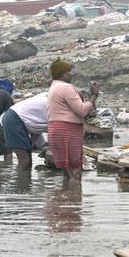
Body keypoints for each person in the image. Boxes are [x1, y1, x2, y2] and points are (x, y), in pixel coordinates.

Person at [47, 59, 99, 187]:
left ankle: (64, 203)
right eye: (68, 72)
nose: (71, 74)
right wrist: (94, 96)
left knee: (67, 173)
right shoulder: (66, 88)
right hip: (68, 131)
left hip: (55, 130)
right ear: (62, 74)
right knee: (76, 174)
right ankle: (74, 204)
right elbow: (82, 111)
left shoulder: (54, 87)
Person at [3, 92, 48, 172]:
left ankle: (26, 183)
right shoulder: (55, 105)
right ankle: (21, 183)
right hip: (14, 119)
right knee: (24, 161)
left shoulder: (48, 96)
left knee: (28, 160)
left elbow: (34, 119)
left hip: (16, 117)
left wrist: (43, 146)